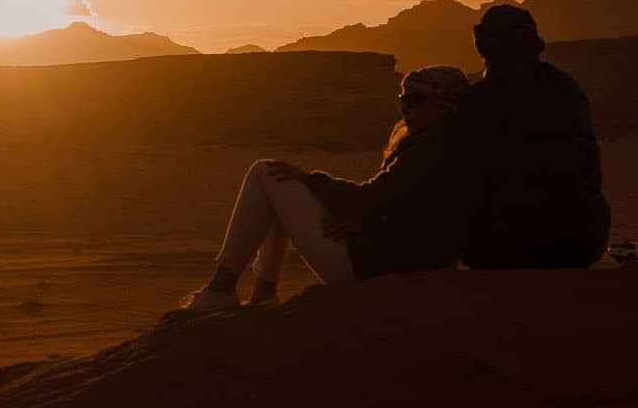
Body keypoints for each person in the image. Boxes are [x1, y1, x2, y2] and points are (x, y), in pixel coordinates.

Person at [177, 64, 470, 312]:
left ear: (443, 103)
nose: (404, 107)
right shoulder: (453, 151)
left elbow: (369, 200)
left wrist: (312, 181)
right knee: (279, 189)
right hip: (387, 258)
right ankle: (262, 295)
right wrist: (369, 222)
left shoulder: (428, 151)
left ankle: (222, 289)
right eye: (403, 98)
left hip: (367, 264)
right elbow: (413, 209)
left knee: (266, 173)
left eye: (415, 99)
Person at [443, 3, 611, 269]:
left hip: (507, 247)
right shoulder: (567, 88)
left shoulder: (484, 99)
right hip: (584, 242)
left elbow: (464, 175)